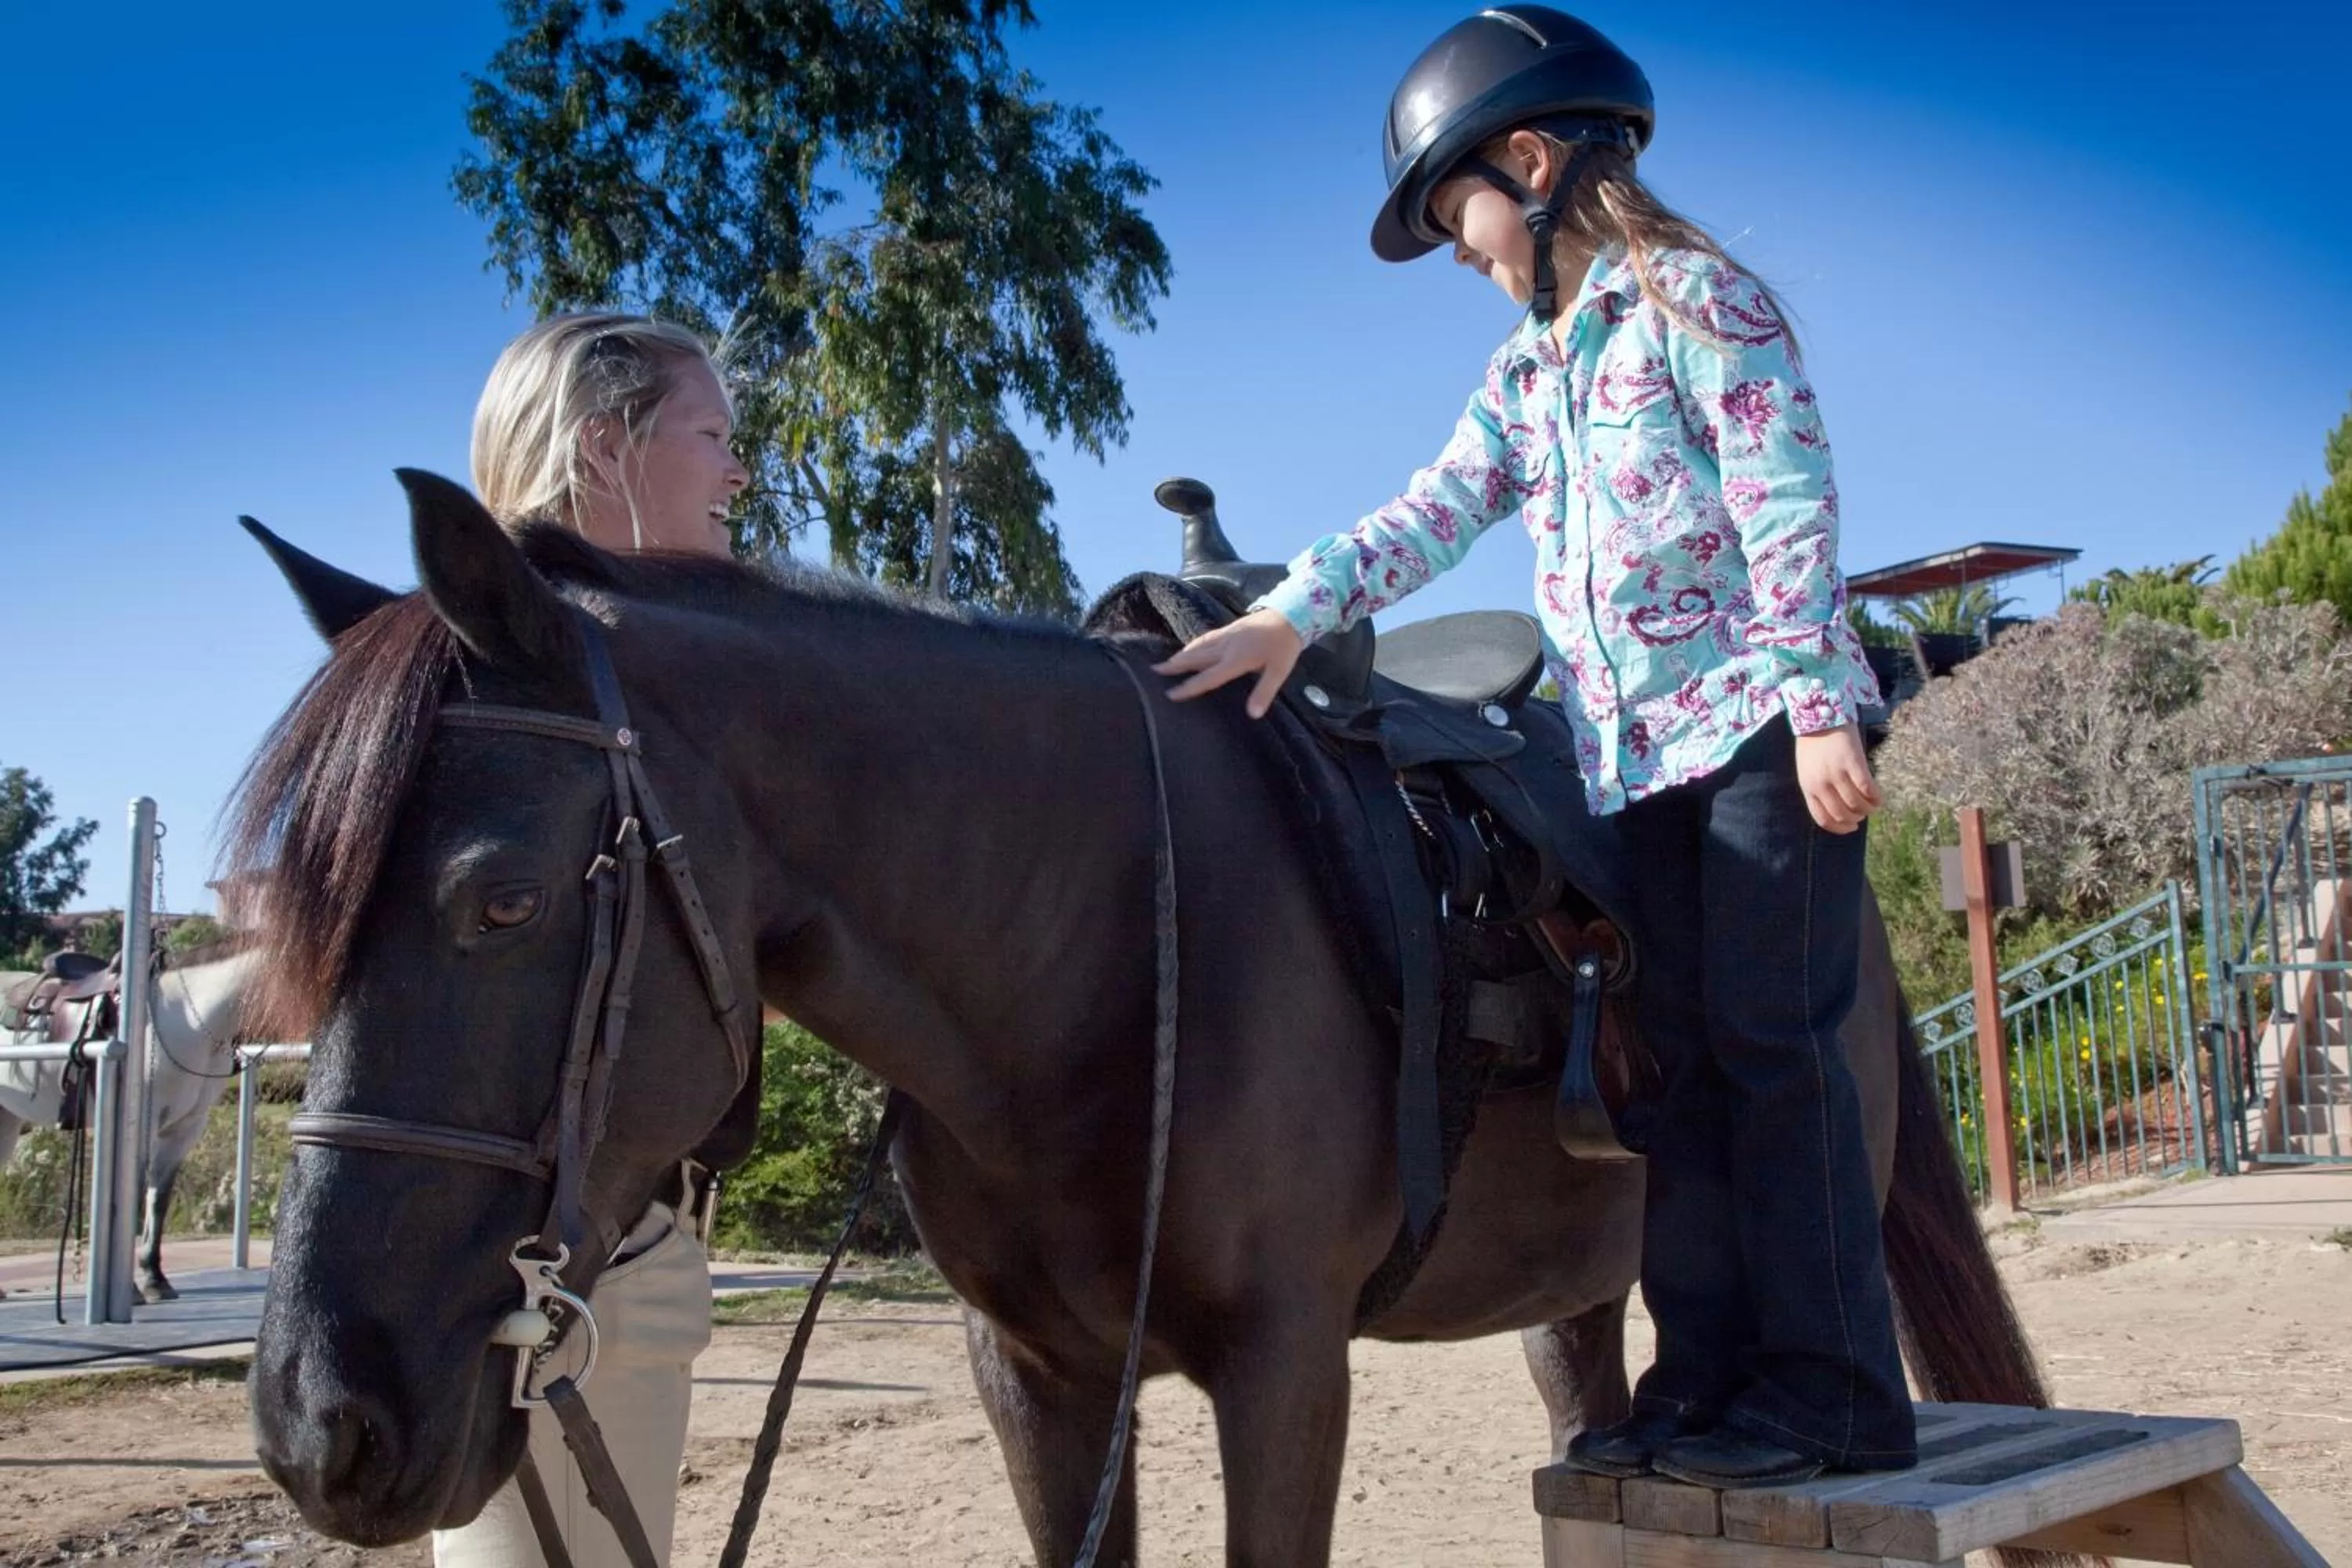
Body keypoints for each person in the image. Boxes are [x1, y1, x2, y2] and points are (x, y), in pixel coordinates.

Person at [1153, 7, 1914, 1489]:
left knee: (1777, 1053)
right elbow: (1430, 512)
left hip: (1761, 730)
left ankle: (1831, 1395)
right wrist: (1293, 618)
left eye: (1460, 214)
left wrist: (1823, 707)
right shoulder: (1528, 372)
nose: (1461, 249)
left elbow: (1786, 509)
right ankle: (1700, 1389)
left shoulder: (1702, 303)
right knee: (1679, 1071)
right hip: (1625, 759)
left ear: (1531, 158)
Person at [434, 311, 750, 1567]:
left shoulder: (601, 688)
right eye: (714, 436)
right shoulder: (522, 701)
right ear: (606, 447)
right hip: (542, 1271)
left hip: (612, 1252)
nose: (738, 473)